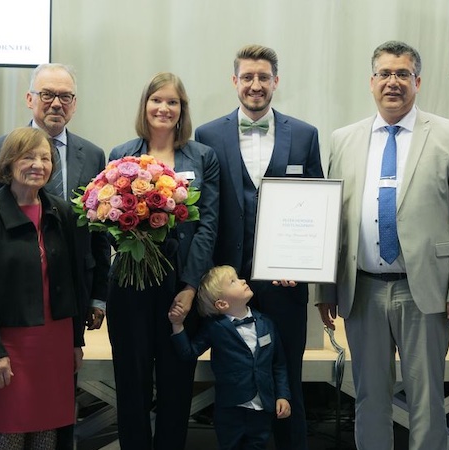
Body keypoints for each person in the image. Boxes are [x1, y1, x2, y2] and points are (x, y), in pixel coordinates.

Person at [317, 40, 449, 450]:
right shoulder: (343, 139)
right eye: (385, 74)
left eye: (403, 74)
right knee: (369, 396)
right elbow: (331, 221)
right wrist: (324, 288)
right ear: (371, 82)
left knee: (427, 400)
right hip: (362, 289)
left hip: (424, 290)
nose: (394, 82)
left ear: (418, 82)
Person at [0, 63, 110, 449]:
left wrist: (96, 297)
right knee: (13, 429)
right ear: (30, 98)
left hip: (62, 316)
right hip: (12, 320)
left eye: (64, 96)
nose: (56, 103)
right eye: (47, 94)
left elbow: (96, 235)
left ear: (74, 103)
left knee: (53, 426)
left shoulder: (92, 155)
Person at [194, 44, 323, 450]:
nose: (255, 85)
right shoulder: (208, 135)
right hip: (228, 291)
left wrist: (302, 265)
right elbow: (205, 211)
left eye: (263, 77)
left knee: (289, 385)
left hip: (285, 287)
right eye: (247, 77)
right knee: (233, 385)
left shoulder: (304, 135)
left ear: (276, 82)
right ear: (235, 81)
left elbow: (316, 210)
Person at [106, 72, 219, 449]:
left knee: (176, 383)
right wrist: (129, 232)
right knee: (131, 382)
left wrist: (190, 288)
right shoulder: (120, 155)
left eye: (173, 102)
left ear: (182, 109)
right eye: (157, 100)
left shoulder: (203, 157)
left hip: (179, 284)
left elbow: (207, 225)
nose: (164, 108)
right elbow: (105, 220)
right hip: (130, 283)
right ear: (145, 105)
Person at [0, 127, 87, 449]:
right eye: (28, 156)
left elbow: (74, 282)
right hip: (9, 346)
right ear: (9, 163)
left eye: (45, 158)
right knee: (11, 433)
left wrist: (76, 341)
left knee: (47, 432)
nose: (38, 164)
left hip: (56, 341)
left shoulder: (61, 212)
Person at [168, 265, 291, 450]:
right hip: (231, 408)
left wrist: (282, 395)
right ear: (222, 304)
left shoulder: (266, 322)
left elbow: (279, 364)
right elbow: (189, 353)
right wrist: (177, 326)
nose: (242, 281)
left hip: (262, 407)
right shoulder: (215, 328)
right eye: (233, 281)